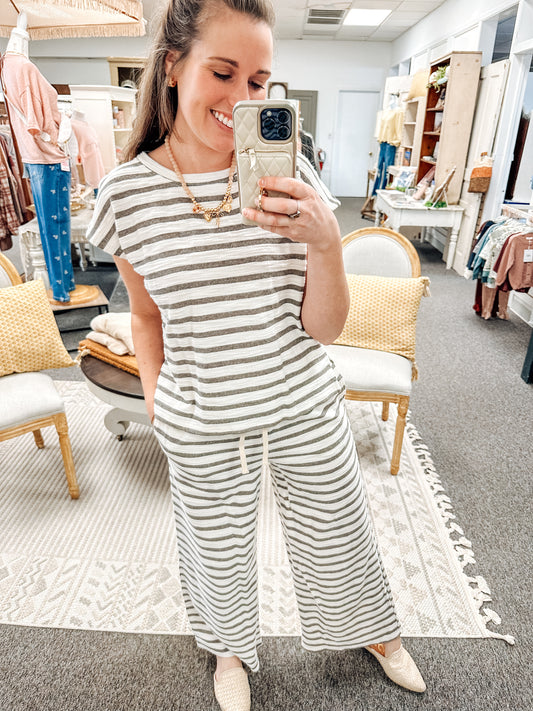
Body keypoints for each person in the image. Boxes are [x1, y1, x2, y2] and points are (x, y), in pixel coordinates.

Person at [87, 1, 426, 709]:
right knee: (215, 550)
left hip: (302, 399)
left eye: (259, 81)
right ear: (173, 66)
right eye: (224, 72)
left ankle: (376, 632)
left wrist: (326, 241)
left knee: (339, 529)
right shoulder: (125, 196)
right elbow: (144, 315)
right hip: (201, 414)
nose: (242, 98)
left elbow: (326, 328)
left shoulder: (289, 172)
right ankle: (229, 650)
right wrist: (156, 399)